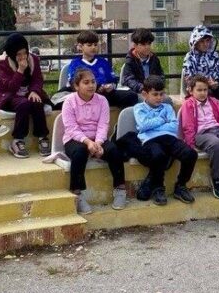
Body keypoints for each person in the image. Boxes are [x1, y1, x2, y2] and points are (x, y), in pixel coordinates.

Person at [119, 76, 197, 206]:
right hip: (150, 139)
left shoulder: (167, 107)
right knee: (158, 155)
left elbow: (173, 127)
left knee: (190, 154)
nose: (159, 97)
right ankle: (158, 188)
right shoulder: (139, 108)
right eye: (155, 94)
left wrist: (154, 125)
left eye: (162, 94)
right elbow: (143, 125)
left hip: (169, 138)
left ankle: (181, 186)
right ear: (145, 94)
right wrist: (162, 120)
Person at [59, 68, 127, 214]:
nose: (91, 85)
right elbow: (71, 128)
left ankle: (120, 189)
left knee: (114, 151)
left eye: (93, 82)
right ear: (76, 86)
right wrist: (88, 143)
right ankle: (77, 193)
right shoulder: (69, 102)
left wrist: (98, 143)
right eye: (86, 82)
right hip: (75, 139)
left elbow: (103, 125)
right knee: (80, 152)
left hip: (97, 138)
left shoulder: (102, 100)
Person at [0, 33, 52, 159]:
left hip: (28, 93)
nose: (23, 57)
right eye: (18, 54)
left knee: (37, 102)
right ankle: (17, 140)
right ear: (11, 53)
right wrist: (20, 70)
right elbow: (11, 87)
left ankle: (42, 136)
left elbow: (37, 79)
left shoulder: (33, 60)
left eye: (24, 53)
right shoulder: (3, 64)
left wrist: (34, 91)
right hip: (9, 96)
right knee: (24, 104)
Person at [179, 74, 219, 200]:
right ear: (191, 91)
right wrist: (190, 145)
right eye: (199, 90)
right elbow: (188, 126)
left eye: (205, 90)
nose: (203, 93)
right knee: (216, 144)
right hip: (201, 134)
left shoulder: (215, 102)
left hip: (218, 130)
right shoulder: (188, 105)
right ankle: (218, 178)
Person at [61, 30, 137, 109]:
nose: (93, 47)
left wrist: (110, 86)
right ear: (80, 46)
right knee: (61, 101)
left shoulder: (103, 62)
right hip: (83, 95)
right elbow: (73, 83)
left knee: (131, 96)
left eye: (95, 44)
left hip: (103, 95)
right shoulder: (75, 63)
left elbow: (113, 80)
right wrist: (95, 87)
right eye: (89, 45)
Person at [181, 25, 219, 115]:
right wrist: (205, 83)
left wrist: (217, 83)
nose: (205, 44)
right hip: (197, 87)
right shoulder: (189, 57)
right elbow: (189, 78)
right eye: (202, 41)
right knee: (205, 92)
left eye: (208, 41)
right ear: (195, 42)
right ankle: (208, 119)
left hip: (214, 86)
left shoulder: (215, 55)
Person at [120, 28, 180, 107]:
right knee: (148, 101)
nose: (147, 47)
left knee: (167, 101)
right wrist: (143, 88)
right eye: (143, 44)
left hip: (155, 91)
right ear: (135, 46)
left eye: (149, 44)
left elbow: (161, 75)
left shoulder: (154, 58)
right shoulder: (130, 60)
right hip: (139, 92)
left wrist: (157, 86)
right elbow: (128, 80)